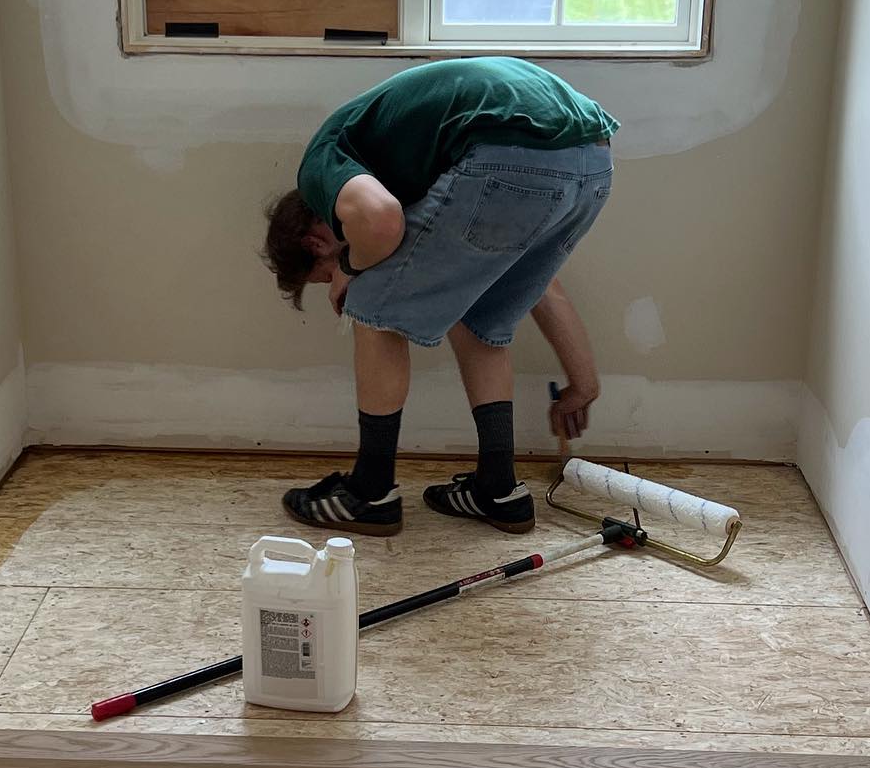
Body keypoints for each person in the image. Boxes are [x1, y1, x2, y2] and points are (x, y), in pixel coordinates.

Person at [261, 56, 615, 538]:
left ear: (315, 243)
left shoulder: (321, 165)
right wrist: (584, 382)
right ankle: (498, 490)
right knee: (477, 311)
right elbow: (543, 290)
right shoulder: (412, 167)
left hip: (508, 150)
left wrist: (349, 270)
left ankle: (369, 493)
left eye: (323, 278)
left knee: (372, 309)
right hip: (593, 160)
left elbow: (380, 221)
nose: (335, 286)